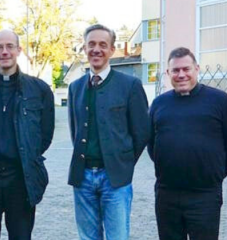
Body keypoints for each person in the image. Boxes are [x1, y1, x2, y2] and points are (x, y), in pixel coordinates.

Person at [0, 29, 54, 240]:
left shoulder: (39, 90)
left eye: (9, 46)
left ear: (19, 50)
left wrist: (27, 152)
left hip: (21, 176)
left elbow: (45, 134)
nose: (4, 52)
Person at [67, 24, 150, 240]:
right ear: (84, 48)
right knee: (88, 237)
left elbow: (141, 132)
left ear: (112, 49)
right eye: (91, 44)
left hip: (115, 178)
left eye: (103, 45)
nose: (96, 49)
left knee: (118, 236)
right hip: (82, 177)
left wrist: (123, 161)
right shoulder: (75, 87)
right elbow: (74, 129)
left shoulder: (130, 85)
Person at [148, 47, 227, 240]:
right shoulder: (159, 104)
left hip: (205, 195)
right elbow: (152, 144)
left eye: (186, 69)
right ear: (168, 73)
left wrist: (216, 172)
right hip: (167, 193)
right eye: (175, 70)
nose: (181, 74)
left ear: (197, 69)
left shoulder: (220, 101)